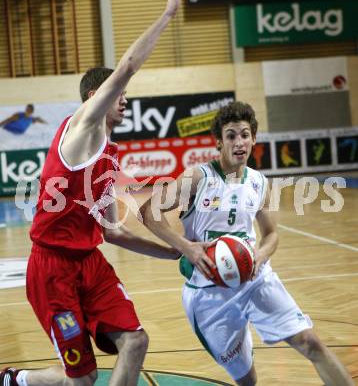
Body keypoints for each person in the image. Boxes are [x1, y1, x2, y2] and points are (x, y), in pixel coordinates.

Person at [0, 0, 182, 385]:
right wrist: (166, 15)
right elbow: (129, 66)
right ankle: (16, 380)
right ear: (94, 99)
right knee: (82, 380)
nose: (126, 99)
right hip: (51, 271)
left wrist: (175, 253)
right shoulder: (82, 129)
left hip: (90, 265)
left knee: (135, 340)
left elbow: (112, 231)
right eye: (118, 94)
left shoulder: (108, 157)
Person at [139, 101, 354, 385]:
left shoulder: (259, 182)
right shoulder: (199, 177)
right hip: (209, 295)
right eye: (231, 135)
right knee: (247, 380)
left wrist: (261, 256)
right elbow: (147, 212)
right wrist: (186, 247)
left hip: (255, 281)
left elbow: (271, 234)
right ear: (219, 142)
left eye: (244, 134)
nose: (239, 142)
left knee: (311, 343)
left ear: (253, 139)